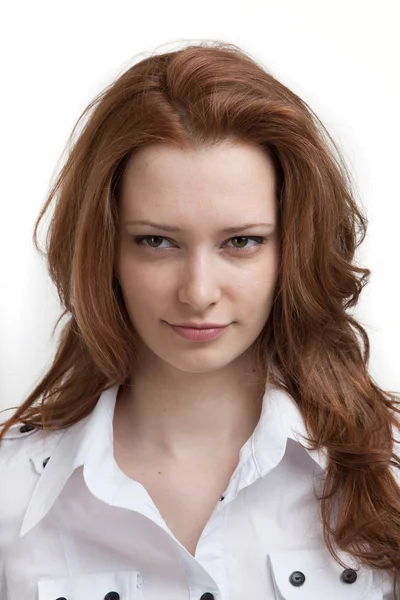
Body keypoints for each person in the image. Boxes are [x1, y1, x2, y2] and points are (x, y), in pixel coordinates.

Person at [1, 40, 399, 600]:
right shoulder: (10, 494)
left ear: (293, 249)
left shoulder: (386, 475)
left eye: (241, 242)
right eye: (157, 241)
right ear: (105, 251)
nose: (198, 292)